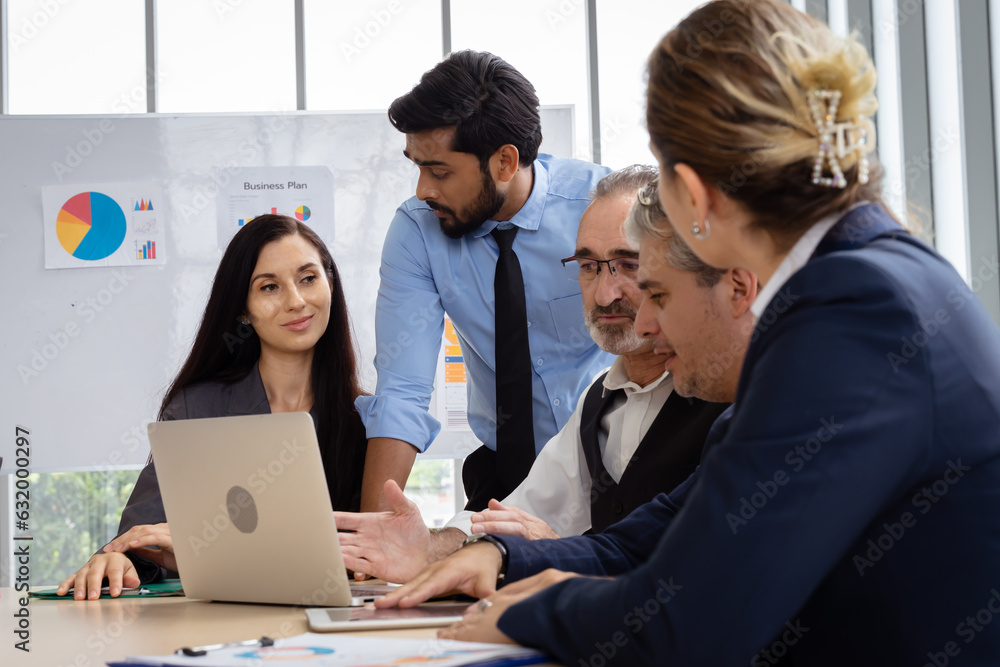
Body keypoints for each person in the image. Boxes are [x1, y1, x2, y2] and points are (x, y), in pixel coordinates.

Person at [373, 2, 1000, 663]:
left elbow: (692, 621)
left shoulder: (851, 311)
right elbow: (673, 527)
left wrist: (538, 606)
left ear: (693, 192)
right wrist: (503, 556)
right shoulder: (871, 279)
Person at [335, 166, 734, 583]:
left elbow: (700, 568)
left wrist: (550, 551)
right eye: (588, 267)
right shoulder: (599, 402)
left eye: (628, 265)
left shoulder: (725, 396)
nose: (604, 294)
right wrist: (427, 548)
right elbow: (522, 513)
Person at [56, 214, 368, 600]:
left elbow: (370, 553)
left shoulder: (368, 418)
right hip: (220, 624)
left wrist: (198, 551)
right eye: (269, 287)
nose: (296, 301)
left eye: (308, 278)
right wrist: (119, 561)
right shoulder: (197, 407)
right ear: (242, 309)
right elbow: (141, 539)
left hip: (337, 626)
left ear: (330, 284)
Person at [356, 50, 613, 512]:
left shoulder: (602, 210)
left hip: (610, 462)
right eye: (417, 167)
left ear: (504, 162)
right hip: (504, 476)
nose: (422, 190)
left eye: (439, 171)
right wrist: (372, 532)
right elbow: (403, 390)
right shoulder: (418, 230)